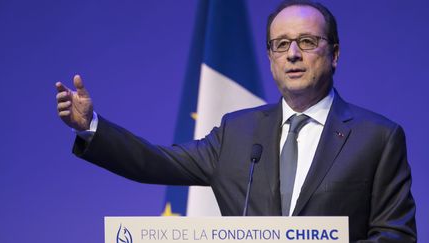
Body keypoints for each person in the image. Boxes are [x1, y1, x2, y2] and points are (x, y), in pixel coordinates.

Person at [55, 0, 417, 242]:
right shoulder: (237, 133)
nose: (292, 54)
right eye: (281, 44)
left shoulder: (377, 138)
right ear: (271, 57)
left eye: (307, 41)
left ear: (334, 54)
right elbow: (156, 162)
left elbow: (395, 234)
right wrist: (92, 127)